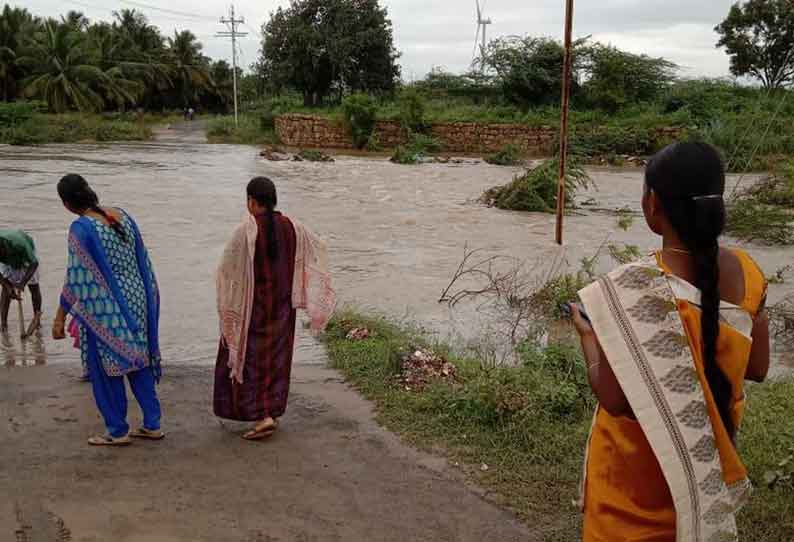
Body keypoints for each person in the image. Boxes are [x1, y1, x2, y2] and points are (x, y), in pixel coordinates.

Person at [572, 142, 770, 541]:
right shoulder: (749, 272)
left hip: (630, 491)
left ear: (652, 205)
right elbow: (758, 368)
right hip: (703, 468)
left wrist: (590, 337)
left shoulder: (634, 287)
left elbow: (613, 399)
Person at [214, 177, 336, 440]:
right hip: (282, 310)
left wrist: (229, 303)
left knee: (248, 361)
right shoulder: (294, 227)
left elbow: (226, 270)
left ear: (252, 201)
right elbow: (320, 248)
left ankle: (263, 416)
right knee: (276, 362)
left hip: (253, 311)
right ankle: (271, 412)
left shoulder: (246, 230)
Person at [52, 174, 164, 446]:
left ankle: (117, 430)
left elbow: (77, 278)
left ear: (67, 204)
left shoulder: (81, 228)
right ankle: (152, 424)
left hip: (107, 304)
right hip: (139, 297)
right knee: (139, 359)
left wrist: (60, 315)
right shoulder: (122, 215)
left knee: (107, 367)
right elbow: (142, 259)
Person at [0, 229, 43, 337]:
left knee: (34, 286)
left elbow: (34, 263)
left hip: (26, 259)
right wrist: (7, 286)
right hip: (7, 261)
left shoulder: (20, 245)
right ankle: (3, 324)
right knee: (6, 291)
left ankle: (37, 319)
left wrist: (22, 283)